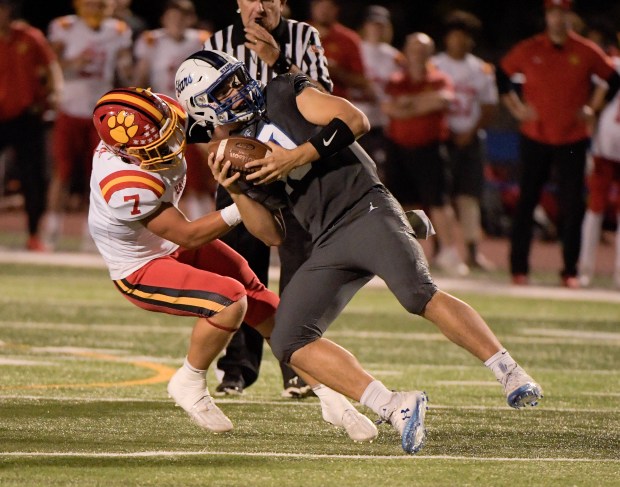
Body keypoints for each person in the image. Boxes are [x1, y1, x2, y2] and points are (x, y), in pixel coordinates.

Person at [175, 49, 544, 455]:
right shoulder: (232, 154)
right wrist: (236, 191)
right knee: (288, 339)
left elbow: (355, 119)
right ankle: (394, 405)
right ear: (204, 107)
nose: (237, 88)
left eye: (234, 78)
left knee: (416, 293)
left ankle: (508, 371)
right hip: (326, 239)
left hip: (364, 207)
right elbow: (273, 235)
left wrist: (296, 157)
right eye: (223, 87)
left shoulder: (282, 91)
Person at [88, 86, 378, 442]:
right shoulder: (123, 183)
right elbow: (188, 235)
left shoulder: (164, 121)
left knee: (268, 306)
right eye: (158, 146)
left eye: (171, 133)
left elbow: (215, 131)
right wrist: (241, 204)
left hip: (169, 245)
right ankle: (190, 381)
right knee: (229, 301)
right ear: (126, 152)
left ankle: (327, 393)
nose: (172, 146)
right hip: (141, 265)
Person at [201, 0, 333, 398]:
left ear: (283, 2)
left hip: (294, 168)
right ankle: (237, 368)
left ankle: (296, 366)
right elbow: (202, 109)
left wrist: (278, 62)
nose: (258, 6)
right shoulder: (220, 40)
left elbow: (326, 100)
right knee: (240, 270)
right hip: (242, 168)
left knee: (300, 272)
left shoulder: (304, 36)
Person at [497, 0, 620, 287]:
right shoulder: (530, 48)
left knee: (572, 204)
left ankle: (570, 271)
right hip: (534, 135)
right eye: (552, 12)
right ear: (546, 16)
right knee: (526, 202)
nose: (557, 18)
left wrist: (593, 107)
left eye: (562, 12)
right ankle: (519, 269)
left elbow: (612, 79)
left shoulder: (585, 50)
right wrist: (516, 109)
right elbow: (502, 76)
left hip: (572, 138)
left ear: (569, 16)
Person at [43, 0, 133, 251]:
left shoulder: (118, 30)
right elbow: (50, 66)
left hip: (101, 114)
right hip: (69, 108)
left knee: (98, 175)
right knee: (62, 172)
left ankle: (92, 232)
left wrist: (127, 71)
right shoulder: (64, 26)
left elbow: (125, 70)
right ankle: (52, 229)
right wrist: (74, 64)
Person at [382, 32, 469, 277]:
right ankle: (411, 253)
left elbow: (441, 101)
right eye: (413, 48)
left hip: (430, 148)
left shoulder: (439, 78)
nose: (418, 53)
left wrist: (408, 104)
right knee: (404, 203)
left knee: (439, 202)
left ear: (430, 53)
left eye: (423, 49)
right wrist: (418, 105)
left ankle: (450, 253)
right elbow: (389, 108)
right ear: (406, 51)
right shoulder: (396, 80)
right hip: (399, 147)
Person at [133, 0, 215, 221]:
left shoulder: (201, 40)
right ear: (164, 19)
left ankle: (204, 221)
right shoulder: (151, 40)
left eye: (182, 17)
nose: (177, 22)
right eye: (172, 17)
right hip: (162, 116)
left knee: (201, 171)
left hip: (195, 114)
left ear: (190, 19)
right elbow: (140, 79)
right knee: (158, 174)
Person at [432, 10, 499, 271]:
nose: (459, 41)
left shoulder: (480, 69)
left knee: (469, 196)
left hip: (470, 139)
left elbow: (489, 107)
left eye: (464, 36)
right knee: (438, 197)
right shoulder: (435, 64)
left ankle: (472, 251)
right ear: (447, 38)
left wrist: (469, 132)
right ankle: (440, 249)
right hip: (440, 138)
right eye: (454, 35)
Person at [0, 0, 63, 251]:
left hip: (27, 115)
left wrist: (56, 93)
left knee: (34, 176)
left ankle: (34, 234)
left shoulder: (30, 37)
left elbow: (51, 67)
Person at [578, 54, 620, 288]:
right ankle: (585, 269)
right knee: (595, 208)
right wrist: (590, 137)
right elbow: (593, 106)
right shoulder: (612, 65)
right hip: (605, 148)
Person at [352, 5, 402, 182]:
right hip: (354, 118)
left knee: (378, 172)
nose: (377, 28)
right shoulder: (355, 48)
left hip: (380, 123)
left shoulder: (394, 56)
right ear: (365, 25)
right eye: (373, 23)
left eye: (381, 24)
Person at [308, 0, 371, 100]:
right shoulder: (298, 33)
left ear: (336, 10)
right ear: (313, 8)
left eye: (328, 7)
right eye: (320, 6)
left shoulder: (348, 39)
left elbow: (362, 81)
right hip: (301, 102)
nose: (324, 11)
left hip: (335, 103)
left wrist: (337, 72)